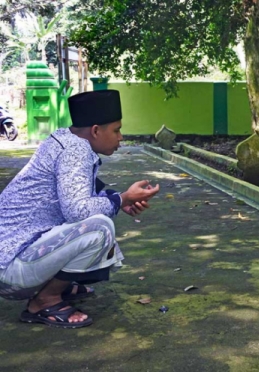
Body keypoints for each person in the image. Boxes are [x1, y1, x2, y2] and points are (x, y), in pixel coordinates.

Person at [0, 90, 160, 328]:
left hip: (12, 256)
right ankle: (44, 301)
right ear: (95, 130)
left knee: (96, 219)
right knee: (99, 229)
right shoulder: (76, 151)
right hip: (11, 269)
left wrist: (120, 200)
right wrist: (121, 199)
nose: (121, 137)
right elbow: (76, 210)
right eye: (116, 130)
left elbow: (78, 194)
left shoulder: (64, 138)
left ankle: (60, 284)